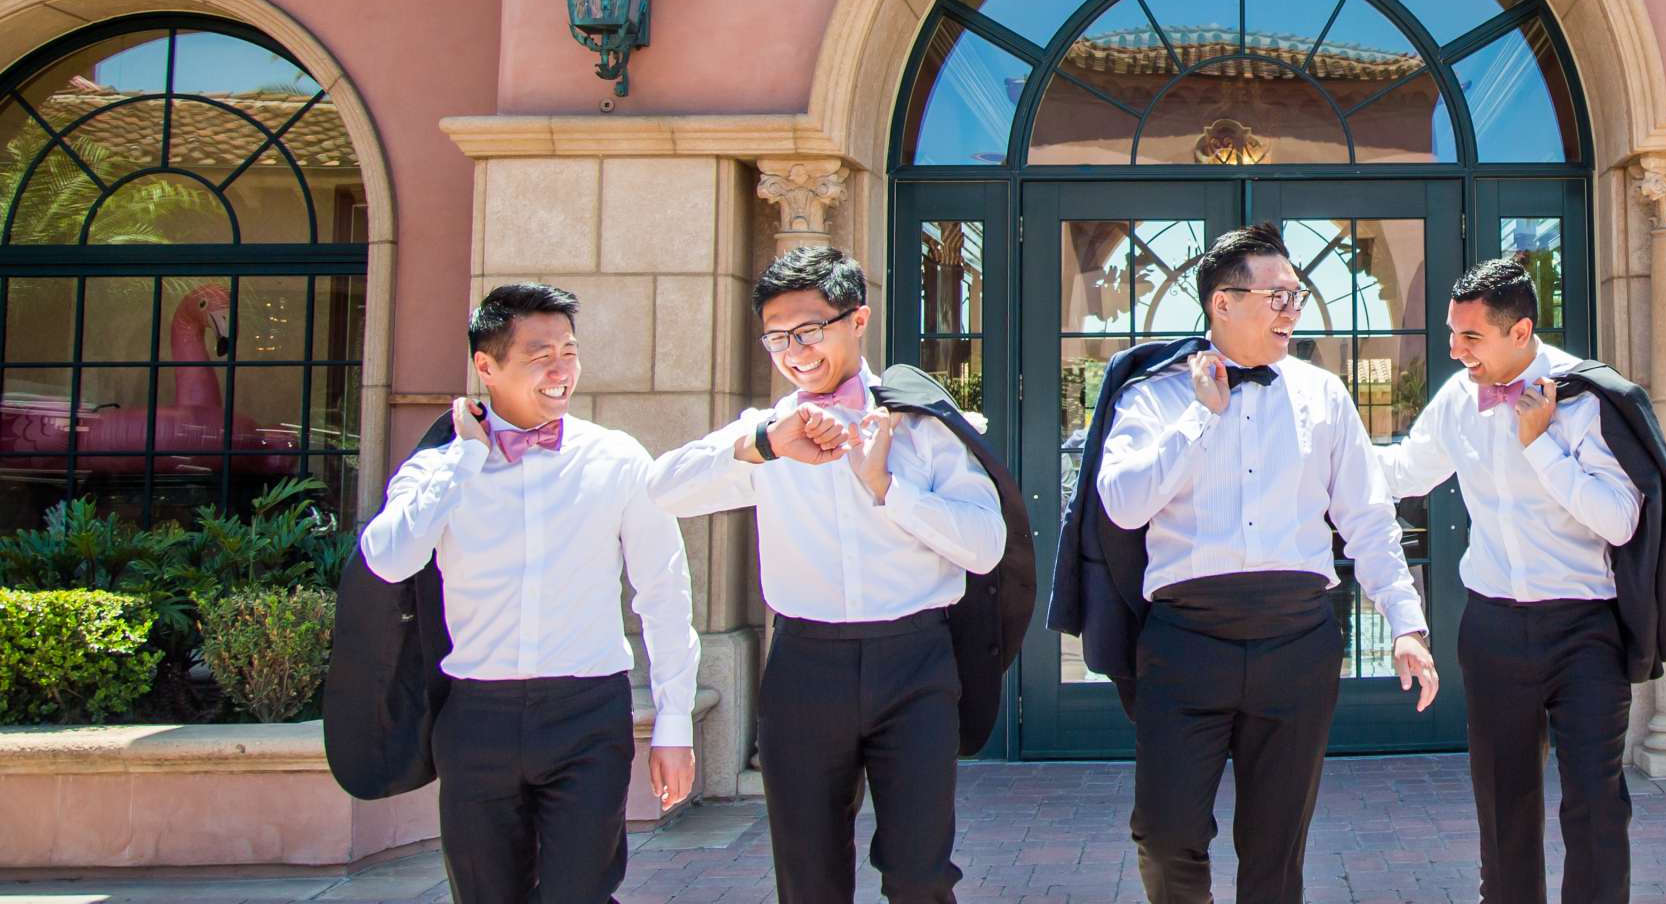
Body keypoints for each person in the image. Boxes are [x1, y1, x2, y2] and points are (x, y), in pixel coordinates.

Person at [1085, 222, 1438, 904]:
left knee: (1276, 849)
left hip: (1297, 640)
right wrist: (1201, 418)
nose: (1294, 309)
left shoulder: (1324, 395)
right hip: (1185, 640)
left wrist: (1405, 623)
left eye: (1297, 294)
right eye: (1278, 296)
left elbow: (1367, 517)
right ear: (1223, 302)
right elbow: (1122, 504)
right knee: (1163, 833)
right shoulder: (1153, 395)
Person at [647, 246, 1013, 904]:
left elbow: (986, 546)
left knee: (920, 875)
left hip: (916, 662)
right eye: (778, 336)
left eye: (810, 329)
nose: (795, 350)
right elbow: (661, 490)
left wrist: (887, 486)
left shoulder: (922, 423)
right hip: (805, 666)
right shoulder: (767, 432)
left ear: (858, 320)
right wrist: (762, 443)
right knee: (808, 878)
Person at [354, 283, 699, 904]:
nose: (561, 370)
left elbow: (663, 591)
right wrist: (462, 461)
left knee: (581, 893)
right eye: (541, 354)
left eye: (569, 351)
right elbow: (387, 559)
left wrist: (675, 724)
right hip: (476, 716)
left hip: (588, 712)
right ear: (486, 366)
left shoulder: (615, 458)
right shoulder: (438, 468)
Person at [1380, 258, 1666, 904]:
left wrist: (1540, 444)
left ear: (1520, 333)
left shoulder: (1585, 397)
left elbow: (1622, 519)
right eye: (1452, 334)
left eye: (1471, 338)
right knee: (1503, 809)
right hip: (1492, 628)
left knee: (1596, 806)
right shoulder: (1460, 398)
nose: (1456, 352)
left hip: (1585, 629)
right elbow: (1405, 470)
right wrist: (1320, 463)